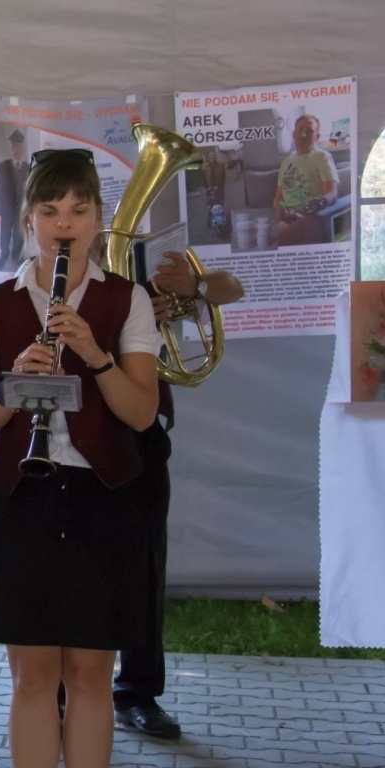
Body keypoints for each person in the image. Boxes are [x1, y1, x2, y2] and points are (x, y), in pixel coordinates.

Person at [0, 148, 161, 768]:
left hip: (103, 498)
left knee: (91, 675)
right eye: (50, 213)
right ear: (28, 222)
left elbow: (140, 411)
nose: (63, 226)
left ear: (98, 220)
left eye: (78, 211)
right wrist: (19, 382)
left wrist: (93, 354)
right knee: (32, 677)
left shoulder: (124, 301)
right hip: (21, 497)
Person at [113, 251, 244, 741]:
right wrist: (135, 314)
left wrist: (195, 287)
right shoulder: (57, 261)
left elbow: (233, 287)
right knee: (73, 565)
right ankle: (62, 690)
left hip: (143, 425)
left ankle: (137, 693)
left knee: (145, 565)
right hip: (78, 426)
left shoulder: (143, 256)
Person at [274, 114, 339, 246]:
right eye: (300, 130)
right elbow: (278, 197)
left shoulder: (322, 157)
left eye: (309, 131)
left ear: (317, 136)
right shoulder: (286, 162)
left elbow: (332, 193)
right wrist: (278, 218)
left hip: (310, 217)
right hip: (287, 217)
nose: (303, 135)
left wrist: (321, 202)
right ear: (293, 134)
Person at [0, 130, 30, 272]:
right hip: (7, 208)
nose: (16, 150)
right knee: (5, 234)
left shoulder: (27, 167)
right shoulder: (4, 165)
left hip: (21, 208)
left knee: (19, 234)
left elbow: (30, 190)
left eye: (19, 147)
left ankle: (16, 256)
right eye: (14, 147)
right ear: (12, 149)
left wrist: (29, 209)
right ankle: (4, 256)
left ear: (23, 149)